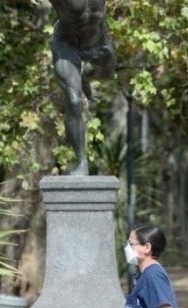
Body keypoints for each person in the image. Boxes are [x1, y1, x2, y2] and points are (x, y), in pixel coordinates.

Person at [49, 0, 117, 176]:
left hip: (100, 43)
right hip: (67, 46)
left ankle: (86, 77)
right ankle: (81, 162)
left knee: (106, 74)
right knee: (74, 101)